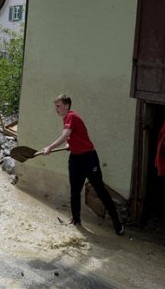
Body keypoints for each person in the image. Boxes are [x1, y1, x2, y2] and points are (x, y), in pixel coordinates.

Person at [41, 94, 124, 235]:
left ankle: (117, 224)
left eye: (59, 106)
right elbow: (73, 135)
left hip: (89, 158)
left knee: (100, 190)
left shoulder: (71, 116)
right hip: (75, 158)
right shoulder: (67, 118)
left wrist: (49, 147)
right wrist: (70, 144)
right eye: (55, 107)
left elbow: (65, 134)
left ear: (67, 105)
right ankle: (76, 220)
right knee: (75, 191)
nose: (56, 109)